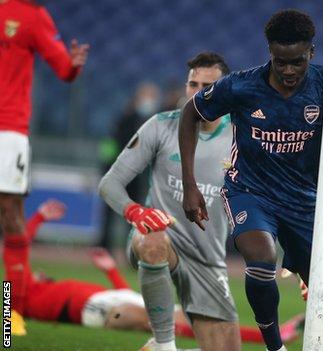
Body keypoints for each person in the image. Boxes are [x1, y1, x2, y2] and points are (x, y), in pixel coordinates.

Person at [179, 9, 323, 351]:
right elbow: (191, 113)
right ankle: (275, 347)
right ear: (270, 54)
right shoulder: (242, 85)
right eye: (281, 62)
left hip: (304, 200)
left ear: (310, 52)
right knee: (262, 259)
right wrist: (190, 185)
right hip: (249, 191)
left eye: (297, 61)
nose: (289, 70)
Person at [1, 200, 303, 346]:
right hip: (97, 311)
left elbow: (124, 294)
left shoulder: (37, 288)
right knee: (171, 320)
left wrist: (110, 273)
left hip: (113, 303)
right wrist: (38, 218)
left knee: (197, 317)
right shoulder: (15, 292)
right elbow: (16, 249)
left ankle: (275, 336)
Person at [99, 52, 241, 351]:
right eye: (193, 84)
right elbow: (109, 184)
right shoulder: (161, 126)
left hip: (208, 259)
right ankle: (164, 344)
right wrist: (136, 212)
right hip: (161, 240)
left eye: (207, 85)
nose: (197, 92)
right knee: (153, 239)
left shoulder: (241, 136)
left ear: (224, 90)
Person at [0, 0, 89, 323]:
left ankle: (13, 313)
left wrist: (74, 64)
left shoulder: (34, 16)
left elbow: (64, 70)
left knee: (10, 217)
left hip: (8, 130)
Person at [98, 81, 162, 252]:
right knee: (111, 211)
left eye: (152, 97)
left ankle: (131, 249)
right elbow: (111, 146)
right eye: (147, 96)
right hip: (119, 171)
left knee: (135, 213)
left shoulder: (154, 122)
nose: (149, 101)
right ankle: (104, 247)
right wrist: (106, 169)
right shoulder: (125, 119)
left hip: (138, 177)